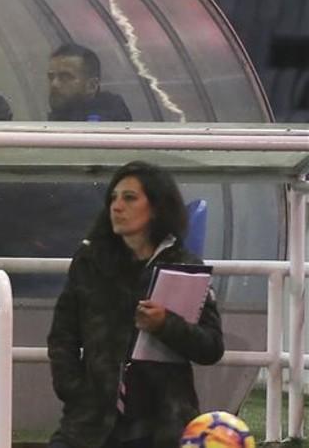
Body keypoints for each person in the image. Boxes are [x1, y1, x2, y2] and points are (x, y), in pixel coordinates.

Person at [47, 161, 223, 448]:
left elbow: (212, 347)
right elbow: (62, 336)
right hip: (90, 422)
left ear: (156, 207)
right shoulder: (90, 261)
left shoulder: (185, 266)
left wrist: (166, 324)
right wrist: (74, 390)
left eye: (129, 198)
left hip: (162, 424)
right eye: (113, 198)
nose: (117, 207)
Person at [47, 44, 132, 122]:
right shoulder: (58, 118)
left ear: (92, 86)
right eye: (51, 77)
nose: (54, 84)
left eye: (65, 77)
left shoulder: (107, 124)